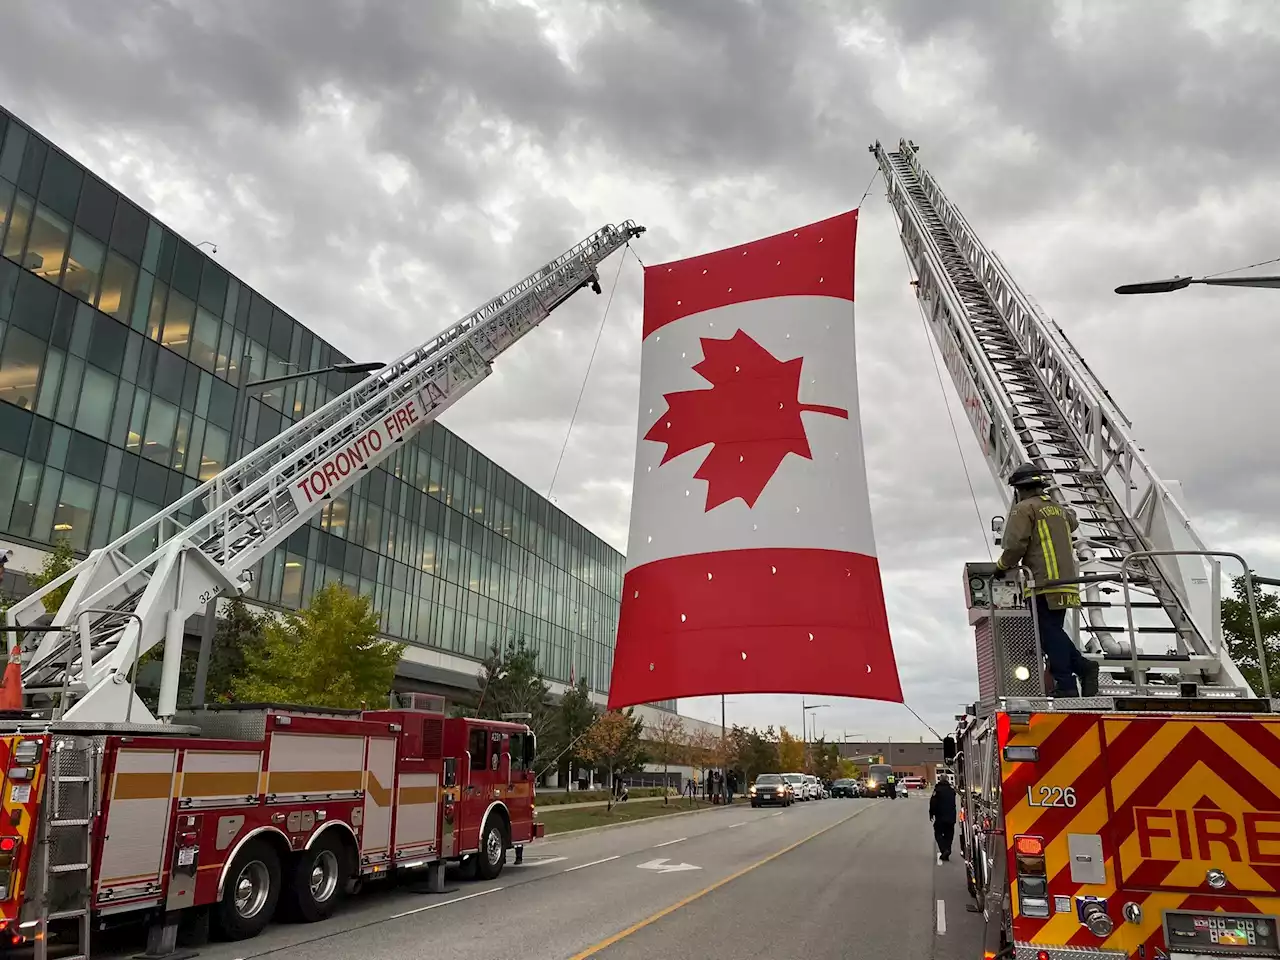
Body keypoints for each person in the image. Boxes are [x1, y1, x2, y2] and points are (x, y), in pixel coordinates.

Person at [995, 463, 1100, 698]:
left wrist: (1000, 567)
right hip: (1066, 581)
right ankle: (1079, 671)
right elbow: (1073, 522)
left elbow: (1014, 546)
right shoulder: (1059, 510)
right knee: (1053, 632)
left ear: (1019, 489)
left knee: (1049, 634)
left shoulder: (1023, 510)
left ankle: (1069, 681)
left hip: (1042, 583)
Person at [929, 776, 957, 861]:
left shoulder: (937, 790)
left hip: (940, 816)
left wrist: (931, 813)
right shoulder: (952, 791)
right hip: (951, 817)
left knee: (938, 833)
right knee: (949, 835)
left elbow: (933, 803)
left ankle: (944, 849)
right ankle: (947, 849)